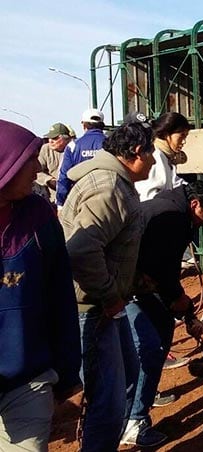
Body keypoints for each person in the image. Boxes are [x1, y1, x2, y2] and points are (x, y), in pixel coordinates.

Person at [60, 121, 156, 451]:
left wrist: (130, 280)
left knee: (128, 375)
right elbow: (82, 250)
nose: (155, 161)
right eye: (151, 154)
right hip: (92, 307)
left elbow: (112, 243)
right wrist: (111, 293)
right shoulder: (110, 187)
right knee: (108, 402)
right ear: (136, 153)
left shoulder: (118, 182)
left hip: (103, 303)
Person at [121, 181, 203, 447]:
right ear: (195, 205)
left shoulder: (174, 209)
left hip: (142, 282)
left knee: (162, 331)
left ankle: (142, 399)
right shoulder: (173, 218)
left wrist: (185, 312)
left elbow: (162, 273)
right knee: (148, 348)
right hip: (126, 285)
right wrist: (184, 308)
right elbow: (160, 273)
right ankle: (132, 422)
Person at [0, 120, 82, 451]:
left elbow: (60, 294)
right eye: (28, 160)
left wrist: (66, 368)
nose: (37, 169)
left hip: (28, 378)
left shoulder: (38, 214)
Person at [134, 111, 190, 201]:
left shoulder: (165, 156)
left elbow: (174, 182)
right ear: (166, 134)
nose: (184, 142)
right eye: (181, 136)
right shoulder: (155, 157)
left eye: (185, 137)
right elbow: (149, 197)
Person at [56, 108, 106, 208]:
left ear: (83, 125)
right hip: (108, 198)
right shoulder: (113, 144)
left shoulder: (73, 146)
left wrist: (60, 204)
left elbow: (63, 177)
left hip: (81, 200)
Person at [34, 122, 74, 203]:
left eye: (55, 138)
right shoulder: (46, 149)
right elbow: (36, 171)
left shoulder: (75, 149)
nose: (50, 141)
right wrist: (48, 180)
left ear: (66, 139)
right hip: (53, 198)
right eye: (49, 138)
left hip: (72, 196)